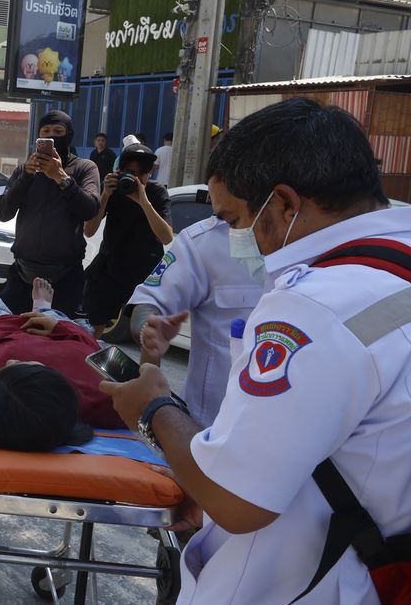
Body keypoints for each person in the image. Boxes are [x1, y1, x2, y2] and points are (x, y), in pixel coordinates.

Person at [100, 97, 410, 604]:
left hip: (309, 577)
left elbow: (240, 503)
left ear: (285, 204)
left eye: (237, 220)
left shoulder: (311, 307)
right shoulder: (391, 270)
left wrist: (153, 408)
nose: (237, 237)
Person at [0, 281, 124, 451]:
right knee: (71, 325)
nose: (11, 361)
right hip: (63, 335)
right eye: (20, 366)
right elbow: (95, 347)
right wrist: (59, 328)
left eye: (3, 370)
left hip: (0, 334)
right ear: (51, 383)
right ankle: (43, 308)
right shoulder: (109, 397)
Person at [128, 211, 262, 427]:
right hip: (207, 428)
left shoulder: (312, 243)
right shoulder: (205, 240)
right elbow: (149, 302)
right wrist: (148, 329)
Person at [0, 110, 100, 317]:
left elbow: (90, 209)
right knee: (8, 335)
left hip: (65, 278)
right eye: (46, 132)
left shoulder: (84, 168)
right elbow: (3, 213)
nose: (52, 136)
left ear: (69, 135)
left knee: (56, 343)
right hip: (22, 274)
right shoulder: (24, 171)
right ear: (39, 137)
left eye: (58, 131)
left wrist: (61, 178)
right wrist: (25, 177)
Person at [81, 140, 174, 339]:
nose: (136, 179)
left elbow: (166, 237)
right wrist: (105, 194)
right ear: (120, 171)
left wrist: (143, 201)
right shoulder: (114, 190)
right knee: (91, 327)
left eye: (142, 173)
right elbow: (89, 230)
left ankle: (148, 371)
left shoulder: (156, 193)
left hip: (145, 273)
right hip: (111, 268)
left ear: (150, 173)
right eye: (131, 173)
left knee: (149, 335)